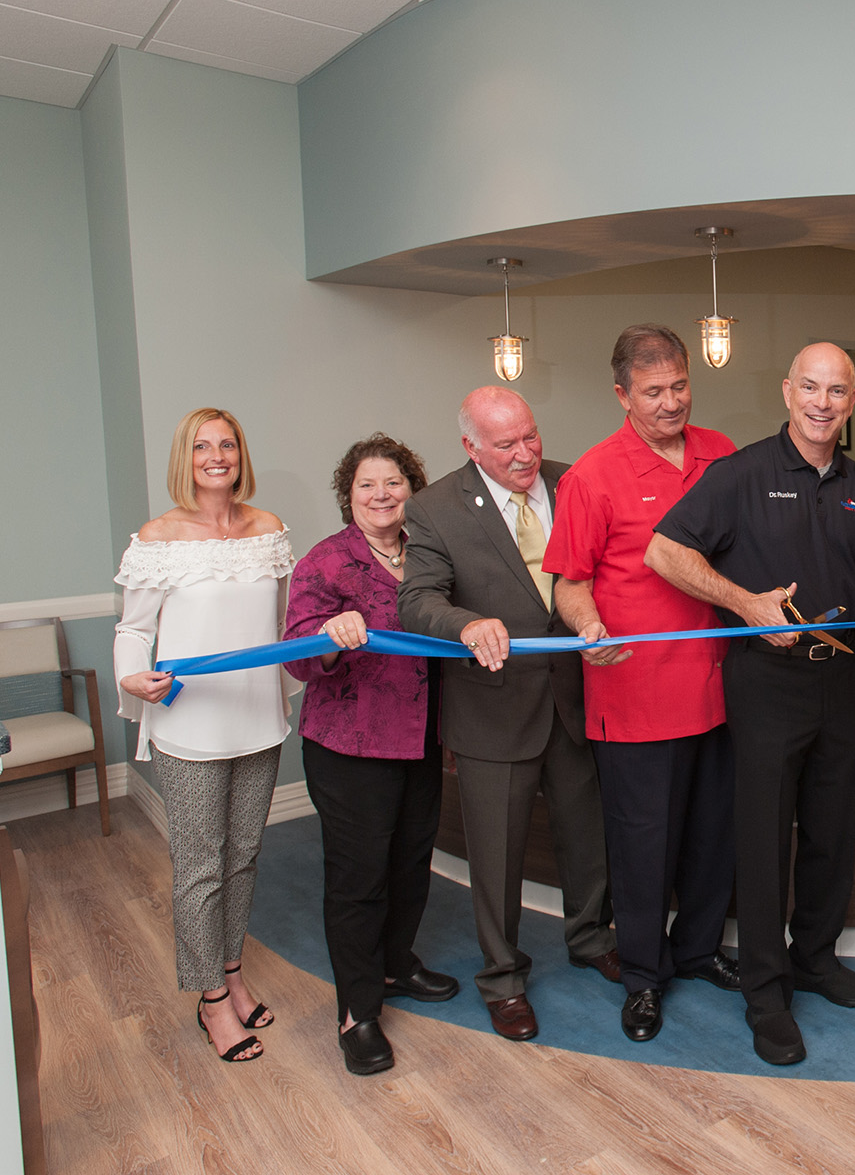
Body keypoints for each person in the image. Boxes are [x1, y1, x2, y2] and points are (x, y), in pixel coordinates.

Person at [646, 342, 855, 1066]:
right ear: (787, 390)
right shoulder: (738, 475)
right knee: (766, 838)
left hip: (839, 682)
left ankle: (816, 959)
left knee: (833, 830)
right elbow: (665, 552)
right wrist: (745, 603)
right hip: (766, 682)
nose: (824, 403)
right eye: (811, 387)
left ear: (849, 400)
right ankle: (767, 994)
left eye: (838, 391)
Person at [397, 386, 615, 1043]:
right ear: (470, 447)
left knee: (588, 837)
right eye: (505, 444)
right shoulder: (434, 508)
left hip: (576, 698)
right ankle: (502, 977)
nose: (525, 454)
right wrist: (465, 625)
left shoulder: (572, 480)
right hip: (493, 708)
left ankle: (590, 937)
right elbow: (417, 602)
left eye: (530, 436)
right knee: (497, 856)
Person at [542, 325, 740, 1045]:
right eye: (653, 392)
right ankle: (645, 978)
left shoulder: (721, 453)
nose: (671, 403)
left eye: (680, 386)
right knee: (642, 848)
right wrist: (588, 626)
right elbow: (570, 582)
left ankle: (698, 949)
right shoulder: (591, 476)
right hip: (635, 698)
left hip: (720, 690)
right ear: (622, 394)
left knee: (714, 838)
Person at [114, 407, 298, 1064]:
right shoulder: (158, 537)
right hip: (189, 724)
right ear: (184, 458)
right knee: (200, 866)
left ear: (240, 454)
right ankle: (210, 1000)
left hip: (256, 718)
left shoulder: (269, 530)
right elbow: (132, 631)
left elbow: (283, 623)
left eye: (227, 444)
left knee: (245, 854)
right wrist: (134, 677)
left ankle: (233, 972)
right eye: (202, 446)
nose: (216, 456)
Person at [282, 433, 460, 1076]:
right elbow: (300, 657)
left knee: (412, 862)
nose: (381, 495)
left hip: (421, 739)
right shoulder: (326, 562)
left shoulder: (431, 554)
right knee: (360, 879)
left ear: (412, 489)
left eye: (393, 483)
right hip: (349, 744)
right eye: (367, 485)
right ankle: (356, 1013)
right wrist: (331, 637)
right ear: (348, 495)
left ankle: (394, 965)